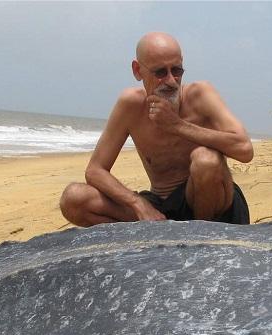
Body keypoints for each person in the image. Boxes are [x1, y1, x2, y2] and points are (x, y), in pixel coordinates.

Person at [60, 32, 254, 226]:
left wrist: (177, 125)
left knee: (206, 160)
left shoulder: (200, 94)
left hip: (211, 206)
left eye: (177, 70)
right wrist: (137, 203)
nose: (171, 81)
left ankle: (199, 236)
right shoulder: (131, 105)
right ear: (138, 71)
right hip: (161, 208)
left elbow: (245, 150)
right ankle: (168, 232)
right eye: (160, 72)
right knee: (74, 198)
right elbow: (95, 170)